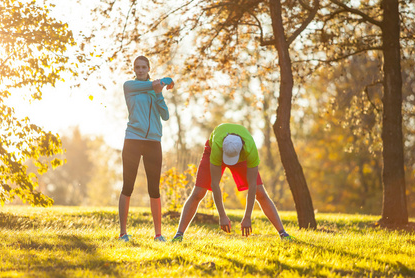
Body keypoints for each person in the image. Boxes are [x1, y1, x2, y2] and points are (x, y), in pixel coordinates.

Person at [171, 123, 295, 242]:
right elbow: (214, 184)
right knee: (198, 192)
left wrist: (247, 217)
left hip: (242, 158)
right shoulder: (217, 147)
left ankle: (283, 233)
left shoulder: (250, 148)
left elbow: (252, 185)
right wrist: (222, 215)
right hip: (216, 152)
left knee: (260, 193)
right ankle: (179, 235)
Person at [118, 55, 174, 242]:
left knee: (154, 188)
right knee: (128, 185)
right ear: (134, 69)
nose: (140, 70)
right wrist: (165, 82)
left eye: (143, 67)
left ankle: (158, 234)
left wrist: (159, 93)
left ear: (149, 68)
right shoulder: (130, 87)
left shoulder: (154, 90)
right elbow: (158, 83)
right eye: (137, 67)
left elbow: (165, 115)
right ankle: (123, 233)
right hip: (133, 140)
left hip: (153, 142)